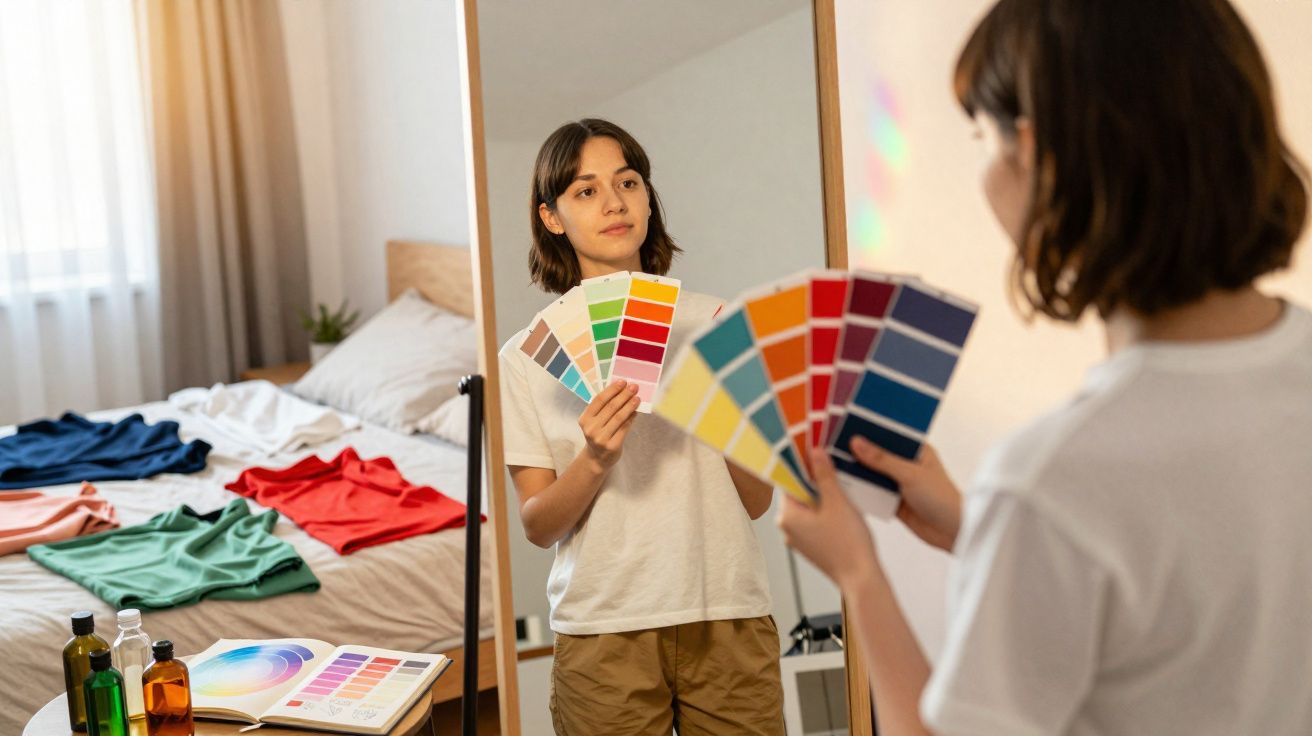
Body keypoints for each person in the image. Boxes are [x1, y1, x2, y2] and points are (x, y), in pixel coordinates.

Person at [779, 1, 1312, 734]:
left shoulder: (1052, 481)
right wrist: (979, 530)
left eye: (982, 138)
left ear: (1030, 153)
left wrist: (857, 573)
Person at [499, 118, 785, 735]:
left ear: (648, 200)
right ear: (552, 217)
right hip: (604, 630)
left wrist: (724, 419)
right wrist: (596, 458)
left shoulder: (716, 320)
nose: (613, 201)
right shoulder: (525, 354)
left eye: (628, 182)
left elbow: (759, 502)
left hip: (729, 613)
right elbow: (537, 523)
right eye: (585, 190)